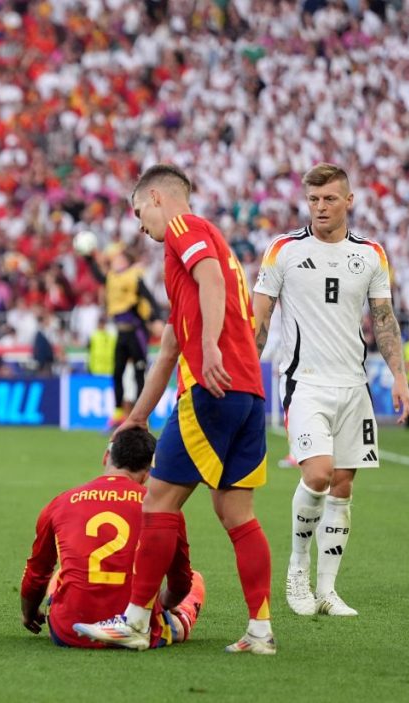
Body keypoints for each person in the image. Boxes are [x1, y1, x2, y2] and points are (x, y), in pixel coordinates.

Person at [74, 165, 275, 654]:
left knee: (158, 502)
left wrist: (208, 346)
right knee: (237, 514)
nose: (140, 223)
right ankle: (260, 630)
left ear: (158, 198)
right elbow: (167, 349)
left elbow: (210, 283)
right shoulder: (212, 253)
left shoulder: (186, 231)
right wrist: (137, 417)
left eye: (139, 210)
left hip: (211, 389)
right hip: (248, 397)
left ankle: (136, 622)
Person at [252, 163, 409, 617]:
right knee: (318, 474)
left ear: (349, 201)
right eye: (314, 199)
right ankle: (297, 571)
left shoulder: (372, 254)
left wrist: (398, 376)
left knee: (343, 485)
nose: (320, 207)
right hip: (305, 382)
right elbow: (259, 317)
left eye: (329, 199)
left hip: (354, 385)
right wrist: (247, 364)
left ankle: (328, 591)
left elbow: (383, 320)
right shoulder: (282, 250)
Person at [20, 427, 206, 649]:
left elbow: (36, 575)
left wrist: (29, 613)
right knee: (195, 580)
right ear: (149, 473)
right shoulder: (164, 508)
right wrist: (162, 605)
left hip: (70, 631)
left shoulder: (61, 502)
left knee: (60, 573)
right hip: (138, 627)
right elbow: (181, 583)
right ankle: (178, 620)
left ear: (107, 456)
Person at [84, 243, 160, 425]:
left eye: (119, 259)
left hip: (137, 332)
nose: (115, 262)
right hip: (121, 332)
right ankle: (118, 413)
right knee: (117, 372)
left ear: (127, 261)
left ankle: (142, 415)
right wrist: (88, 258)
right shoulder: (112, 278)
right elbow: (99, 277)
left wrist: (156, 318)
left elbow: (148, 297)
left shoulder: (134, 276)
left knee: (139, 373)